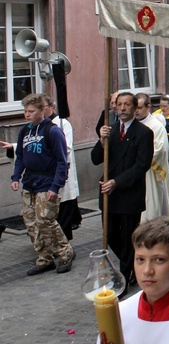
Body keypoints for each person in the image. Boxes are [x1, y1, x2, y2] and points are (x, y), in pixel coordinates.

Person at [91, 92, 154, 290]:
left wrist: (117, 182)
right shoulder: (109, 131)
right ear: (115, 107)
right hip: (109, 195)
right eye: (120, 104)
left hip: (128, 193)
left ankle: (125, 278)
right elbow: (95, 159)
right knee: (110, 235)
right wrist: (102, 141)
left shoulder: (143, 133)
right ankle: (132, 263)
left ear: (135, 108)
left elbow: (141, 165)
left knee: (128, 238)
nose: (123, 108)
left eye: (127, 104)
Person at [10, 93, 75, 275]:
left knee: (45, 220)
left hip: (47, 182)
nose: (27, 114)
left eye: (31, 111)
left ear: (42, 111)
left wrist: (55, 186)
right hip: (30, 183)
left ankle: (65, 253)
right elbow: (21, 157)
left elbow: (62, 161)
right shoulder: (25, 131)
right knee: (31, 222)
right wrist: (16, 177)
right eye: (25, 111)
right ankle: (44, 258)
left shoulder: (53, 131)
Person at [44, 95, 82, 240]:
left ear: (51, 106)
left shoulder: (61, 123)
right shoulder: (40, 125)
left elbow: (66, 147)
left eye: (44, 107)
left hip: (60, 172)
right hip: (46, 175)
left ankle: (64, 243)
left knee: (63, 209)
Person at [134, 93, 169, 222]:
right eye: (134, 107)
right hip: (132, 174)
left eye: (139, 107)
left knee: (150, 212)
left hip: (150, 174)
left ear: (148, 107)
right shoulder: (131, 125)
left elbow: (157, 150)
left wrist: (133, 158)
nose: (136, 111)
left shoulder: (156, 126)